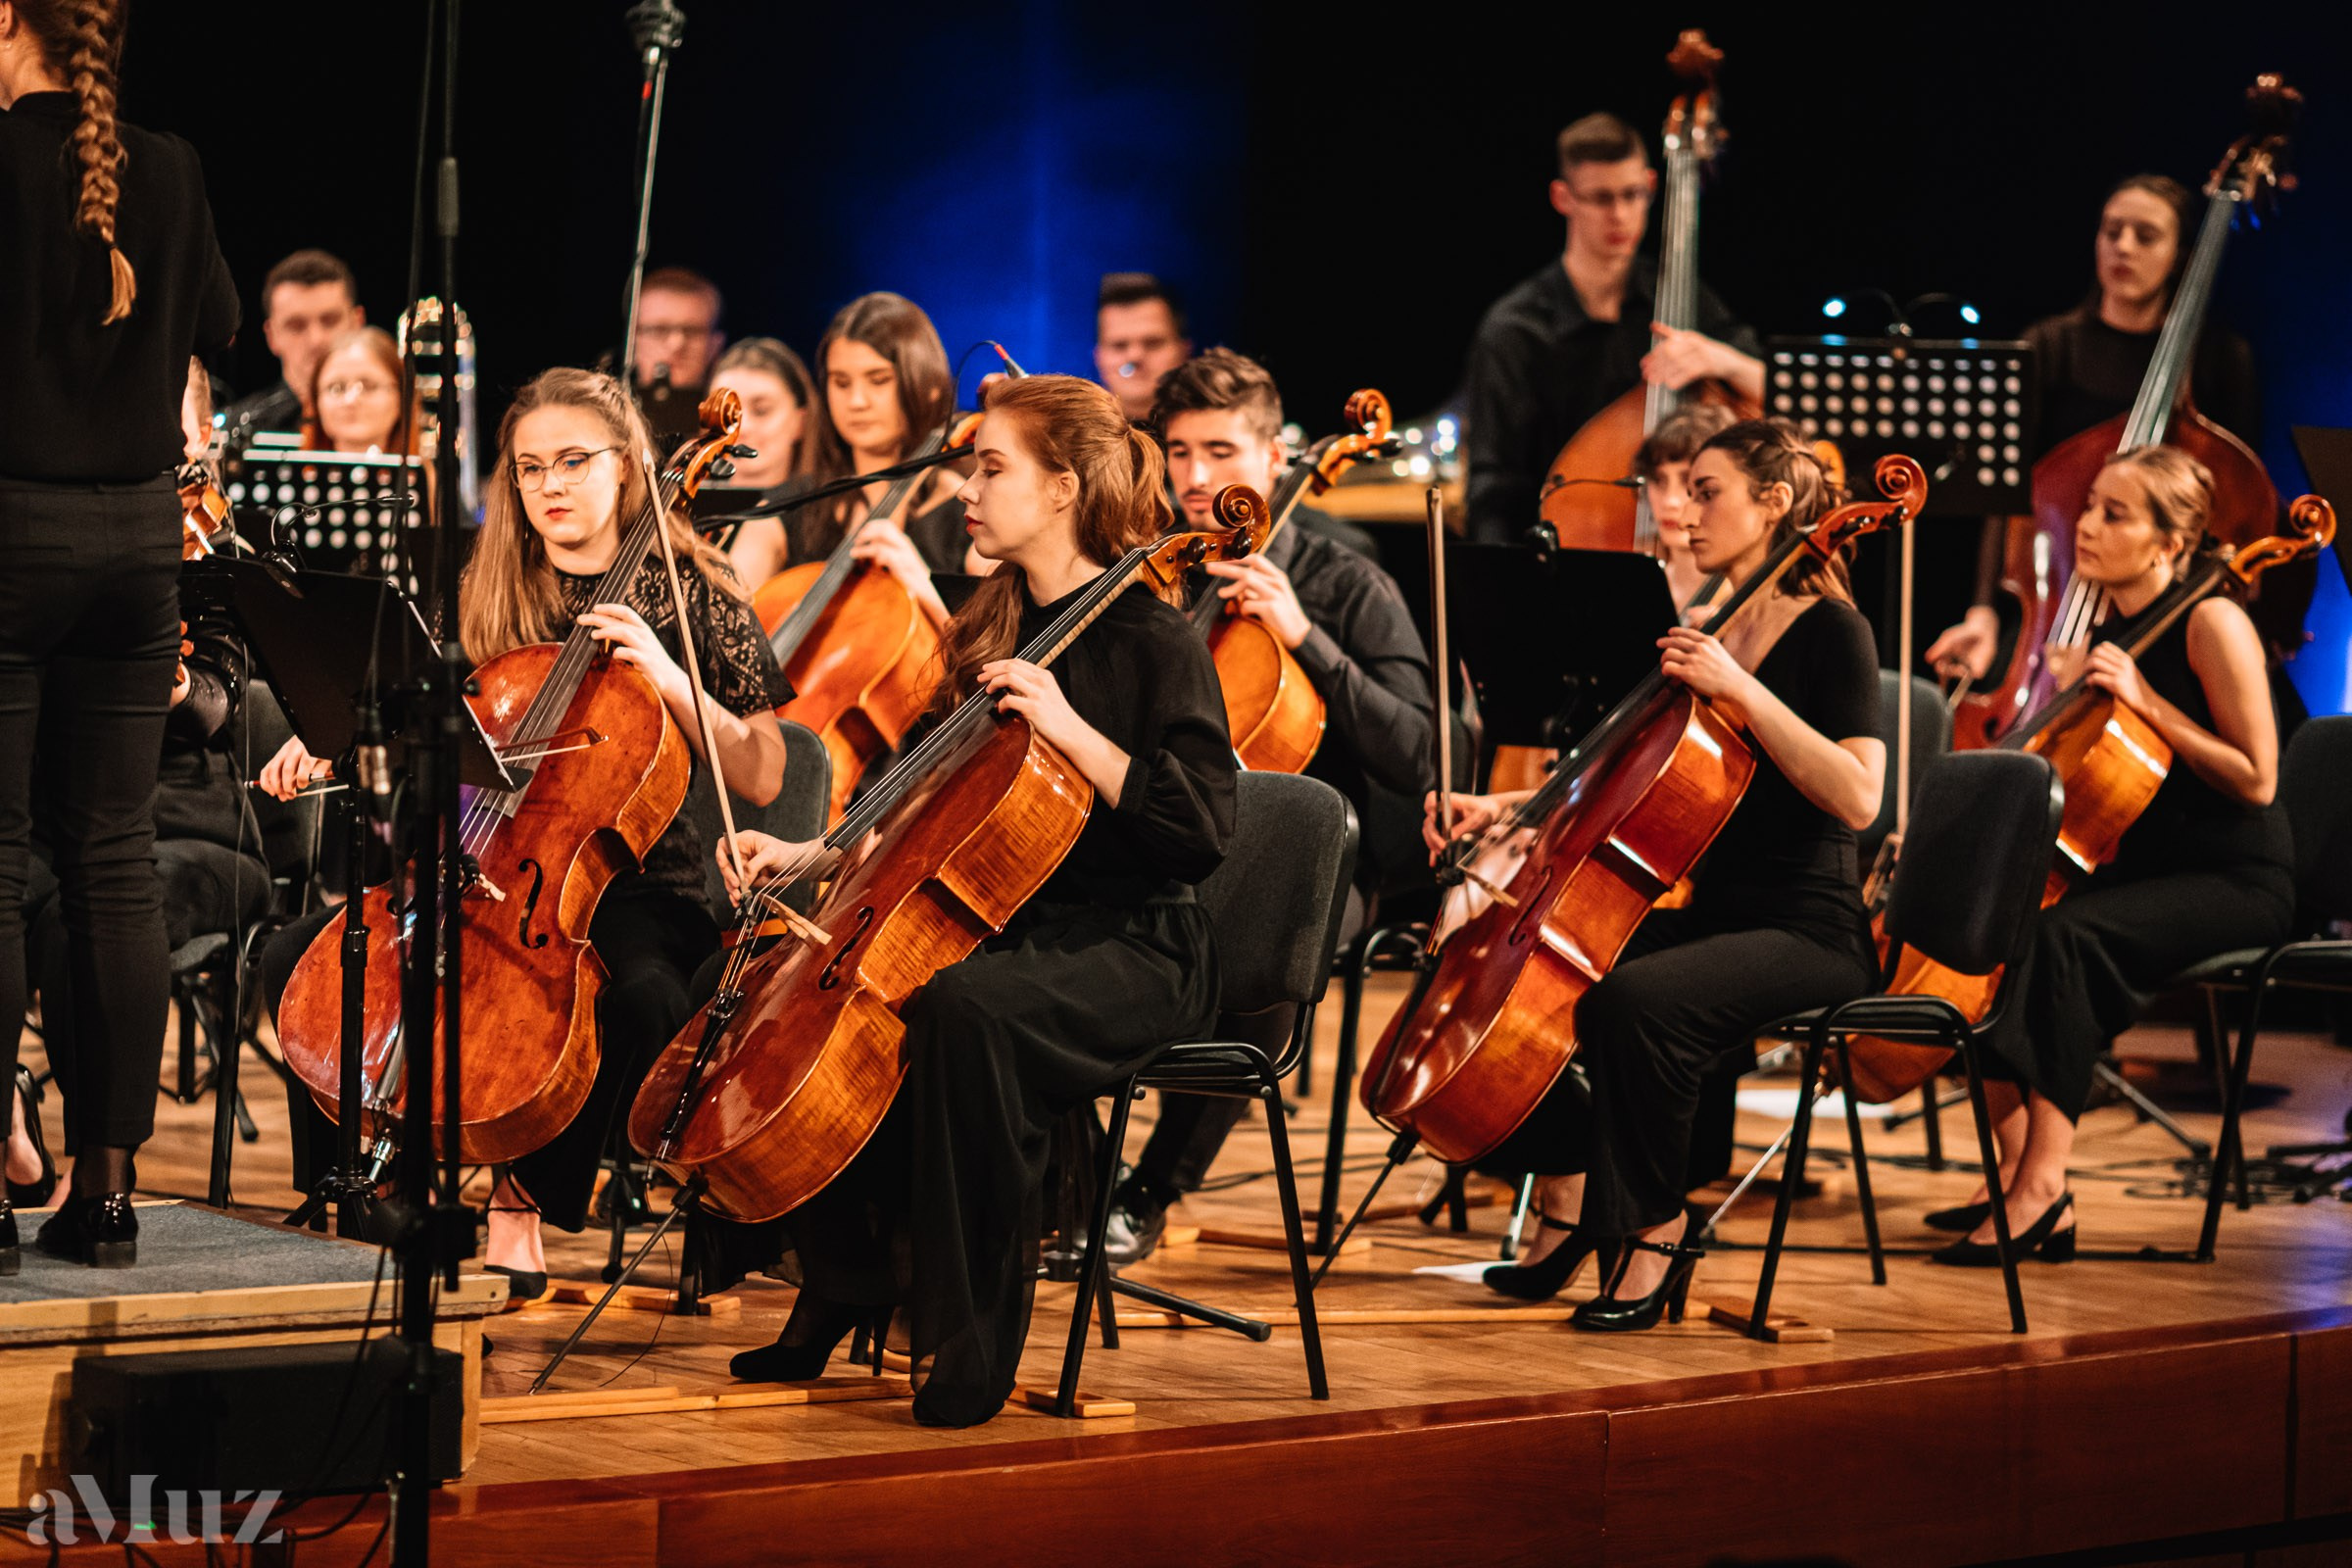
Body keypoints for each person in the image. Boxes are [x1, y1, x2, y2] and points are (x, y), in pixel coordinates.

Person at [713, 373, 1235, 1427]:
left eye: (992, 469)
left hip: (1136, 945)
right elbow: (915, 798)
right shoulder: (993, 619)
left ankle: (972, 1335)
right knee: (793, 981)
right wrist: (813, 853)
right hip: (1006, 923)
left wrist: (1074, 731)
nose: (968, 489)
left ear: (1062, 490)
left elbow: (1202, 834)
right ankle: (845, 1277)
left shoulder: (1154, 640)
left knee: (963, 1012)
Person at [255, 368, 792, 1297]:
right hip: (483, 850)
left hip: (631, 877)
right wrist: (335, 741)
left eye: (574, 462)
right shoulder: (495, 581)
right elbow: (440, 716)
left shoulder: (697, 588)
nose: (550, 485)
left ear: (628, 468)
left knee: (636, 1003)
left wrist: (667, 673)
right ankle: (355, 1193)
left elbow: (765, 769)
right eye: (531, 467)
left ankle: (520, 1201)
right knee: (306, 957)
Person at [1435, 419, 1882, 1330]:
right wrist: (1509, 815)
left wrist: (1744, 690)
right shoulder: (1712, 623)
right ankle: (1570, 1197)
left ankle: (1657, 1231)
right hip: (1720, 911)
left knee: (1638, 1000)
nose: (1682, 513)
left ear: (1775, 505)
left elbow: (1861, 796)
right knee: (1536, 979)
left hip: (1810, 930)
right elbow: (1628, 776)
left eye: (1708, 492)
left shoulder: (1833, 633)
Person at [1102, 347, 1437, 1262]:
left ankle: (1153, 1185)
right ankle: (1062, 1178)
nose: (1198, 478)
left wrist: (1308, 642)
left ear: (1276, 458)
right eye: (1178, 454)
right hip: (1160, 837)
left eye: (1221, 451)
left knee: (1254, 925)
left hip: (1313, 869)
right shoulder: (1155, 574)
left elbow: (1423, 751)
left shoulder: (1346, 583)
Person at [1, 0, 239, 1269]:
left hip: (11, 531)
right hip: (139, 549)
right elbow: (217, 324)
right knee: (111, 861)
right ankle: (103, 1197)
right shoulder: (176, 167)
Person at [1925, 446, 2291, 1264]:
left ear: (2167, 543)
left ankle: (2044, 1186)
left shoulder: (2212, 619)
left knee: (2066, 941)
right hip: (2151, 865)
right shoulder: (2113, 627)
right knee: (1995, 930)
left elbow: (2259, 779)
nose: (2085, 526)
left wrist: (2143, 697)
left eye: (2113, 514)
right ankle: (2012, 1164)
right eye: (2089, 506)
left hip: (2236, 876)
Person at [1926, 175, 2262, 684]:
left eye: (2145, 236)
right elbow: (2007, 494)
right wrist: (1984, 609)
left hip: (2165, 614)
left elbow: (2240, 507)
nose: (2123, 247)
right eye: (2111, 231)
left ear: (2180, 255)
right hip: (2051, 606)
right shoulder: (2050, 345)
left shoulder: (2220, 360)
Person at [1460, 113, 1762, 545]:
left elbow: (1775, 399)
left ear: (1652, 187)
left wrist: (1723, 360)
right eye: (1601, 198)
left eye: (1632, 194)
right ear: (1563, 197)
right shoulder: (1515, 330)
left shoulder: (1685, 301)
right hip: (1567, 554)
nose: (1619, 214)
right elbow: (1493, 488)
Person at [729, 292, 965, 621]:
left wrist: (921, 583)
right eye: (841, 383)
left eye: (878, 380)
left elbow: (1000, 659)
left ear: (928, 385)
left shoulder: (971, 514)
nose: (856, 401)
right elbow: (726, 632)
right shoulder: (786, 510)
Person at [217, 249, 361, 450]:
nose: (316, 340)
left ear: (357, 323)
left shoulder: (399, 420)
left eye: (330, 321)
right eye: (296, 326)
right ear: (271, 336)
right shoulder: (238, 430)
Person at [708, 336, 815, 586]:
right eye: (726, 414)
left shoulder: (815, 519)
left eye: (762, 410)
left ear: (801, 421)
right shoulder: (683, 516)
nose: (740, 429)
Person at [1638, 403, 1740, 617]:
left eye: (1689, 483)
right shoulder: (1638, 585)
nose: (1670, 501)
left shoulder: (1743, 596)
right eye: (1658, 480)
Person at [302, 325, 418, 455]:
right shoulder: (290, 474)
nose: (350, 400)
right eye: (336, 388)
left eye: (369, 387)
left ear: (401, 398)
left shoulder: (436, 474)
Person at [1094, 272, 1193, 424]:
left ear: (1184, 350)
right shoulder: (1068, 443)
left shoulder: (1221, 433)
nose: (1135, 357)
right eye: (1119, 346)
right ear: (1098, 356)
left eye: (1153, 343)